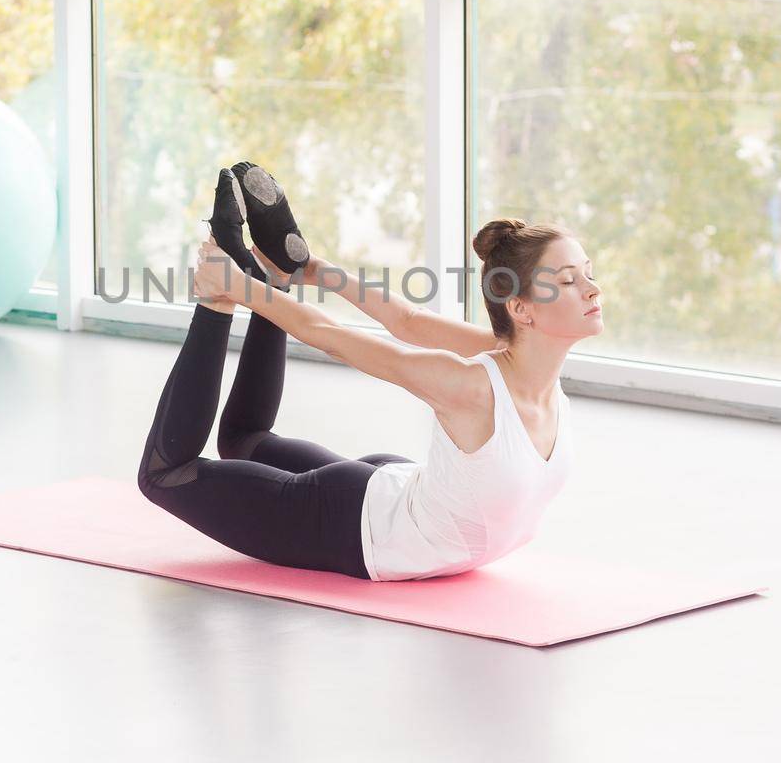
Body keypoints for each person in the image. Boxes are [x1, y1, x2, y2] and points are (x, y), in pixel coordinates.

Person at [136, 162, 604, 581]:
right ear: (522, 310)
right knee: (164, 475)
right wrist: (234, 288)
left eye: (587, 271)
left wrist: (316, 270)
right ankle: (216, 299)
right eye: (568, 281)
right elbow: (334, 337)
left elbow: (409, 322)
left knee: (244, 442)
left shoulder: (528, 365)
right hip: (350, 527)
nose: (591, 288)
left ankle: (275, 275)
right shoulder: (472, 387)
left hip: (398, 496)